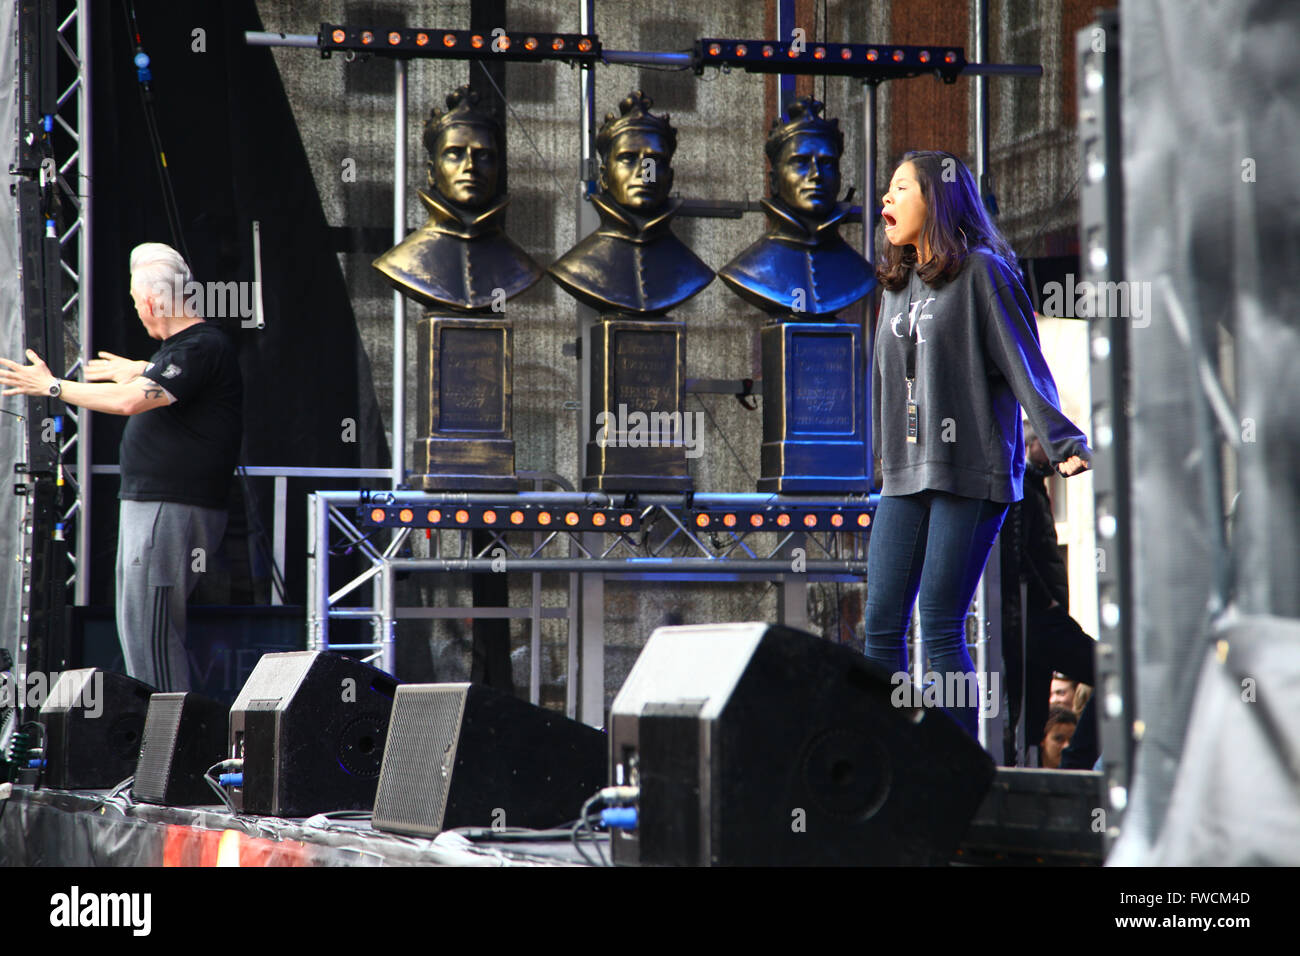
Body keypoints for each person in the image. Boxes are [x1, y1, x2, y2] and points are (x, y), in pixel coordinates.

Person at [864, 150, 1092, 740]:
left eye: (900, 189)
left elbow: (1024, 361)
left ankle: (956, 777)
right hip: (907, 474)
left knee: (939, 625)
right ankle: (879, 759)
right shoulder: (894, 285)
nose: (885, 200)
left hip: (970, 469)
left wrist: (1059, 437)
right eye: (886, 191)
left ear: (936, 199)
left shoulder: (983, 272)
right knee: (880, 626)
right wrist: (882, 461)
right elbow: (886, 382)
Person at [0, 242, 242, 690]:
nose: (136, 310)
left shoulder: (202, 346)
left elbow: (131, 401)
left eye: (135, 302)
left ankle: (171, 750)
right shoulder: (186, 350)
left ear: (151, 302)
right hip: (157, 507)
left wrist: (52, 387)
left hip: (168, 508)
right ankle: (165, 742)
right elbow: (166, 382)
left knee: (151, 632)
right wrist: (142, 367)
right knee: (142, 628)